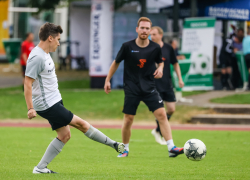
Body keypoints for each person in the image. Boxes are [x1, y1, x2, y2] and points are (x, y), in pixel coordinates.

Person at [24, 23, 125, 174]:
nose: (59, 43)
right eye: (58, 39)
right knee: (81, 124)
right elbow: (27, 82)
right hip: (47, 105)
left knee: (65, 135)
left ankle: (40, 168)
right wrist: (30, 108)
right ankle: (115, 145)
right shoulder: (37, 57)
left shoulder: (45, 54)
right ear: (50, 38)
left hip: (55, 100)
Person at [104, 17, 184, 158]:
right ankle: (125, 149)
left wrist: (160, 68)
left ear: (149, 30)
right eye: (142, 28)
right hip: (131, 88)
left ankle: (171, 147)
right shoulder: (127, 46)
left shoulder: (155, 47)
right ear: (137, 29)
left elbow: (161, 62)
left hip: (150, 88)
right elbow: (116, 62)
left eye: (147, 28)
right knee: (128, 119)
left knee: (162, 115)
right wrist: (107, 79)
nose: (145, 30)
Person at [150, 26, 184, 145]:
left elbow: (175, 64)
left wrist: (180, 79)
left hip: (167, 84)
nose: (151, 37)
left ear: (160, 35)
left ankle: (157, 130)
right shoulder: (148, 48)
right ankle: (163, 135)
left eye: (154, 34)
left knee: (171, 109)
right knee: (161, 112)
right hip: (154, 85)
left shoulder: (169, 48)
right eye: (151, 35)